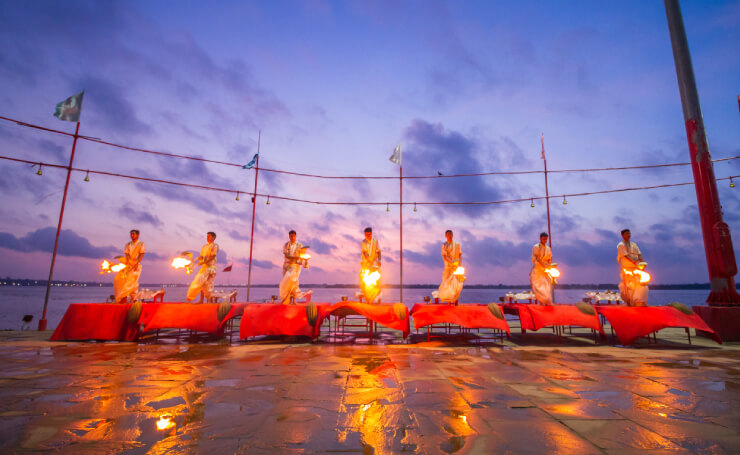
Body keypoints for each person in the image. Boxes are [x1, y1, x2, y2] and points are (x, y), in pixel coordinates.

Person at [186, 231, 219, 303]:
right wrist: (199, 258)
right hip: (204, 267)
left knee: (208, 284)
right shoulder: (204, 246)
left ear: (214, 237)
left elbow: (213, 256)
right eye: (207, 236)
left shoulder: (215, 246)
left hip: (211, 268)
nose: (207, 238)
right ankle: (200, 300)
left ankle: (208, 301)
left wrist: (205, 261)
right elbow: (202, 256)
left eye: (209, 236)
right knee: (200, 282)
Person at [114, 229, 145, 303]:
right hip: (128, 265)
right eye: (131, 234)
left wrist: (137, 264)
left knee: (132, 281)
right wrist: (127, 262)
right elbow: (126, 254)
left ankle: (133, 299)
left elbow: (141, 254)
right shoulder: (128, 244)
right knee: (119, 279)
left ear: (138, 235)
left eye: (133, 234)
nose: (132, 235)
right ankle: (122, 297)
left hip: (136, 265)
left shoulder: (141, 244)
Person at [617, 228, 647, 306]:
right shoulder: (621, 245)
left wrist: (642, 263)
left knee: (639, 285)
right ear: (622, 235)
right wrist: (633, 260)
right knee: (627, 287)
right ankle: (629, 303)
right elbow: (626, 256)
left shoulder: (634, 245)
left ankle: (639, 302)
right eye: (627, 233)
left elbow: (639, 254)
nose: (628, 235)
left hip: (636, 269)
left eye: (629, 233)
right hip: (626, 269)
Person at [437, 230, 463, 303]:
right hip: (448, 266)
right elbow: (444, 256)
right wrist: (451, 262)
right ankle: (448, 301)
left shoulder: (457, 244)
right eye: (448, 234)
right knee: (447, 282)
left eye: (450, 234)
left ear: (452, 235)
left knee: (457, 283)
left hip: (456, 265)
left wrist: (459, 263)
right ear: (446, 236)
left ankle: (456, 301)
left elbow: (460, 254)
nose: (449, 236)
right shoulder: (444, 245)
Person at [279, 230, 304, 304]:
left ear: (295, 236)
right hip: (286, 265)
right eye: (291, 236)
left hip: (295, 266)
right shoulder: (286, 245)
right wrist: (296, 257)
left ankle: (295, 300)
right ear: (289, 236)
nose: (292, 237)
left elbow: (302, 254)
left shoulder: (299, 245)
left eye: (293, 236)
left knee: (294, 283)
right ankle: (287, 300)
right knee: (286, 283)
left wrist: (300, 259)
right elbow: (286, 255)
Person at [529, 232, 554, 305]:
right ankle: (542, 302)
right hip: (538, 269)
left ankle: (547, 302)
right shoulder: (536, 247)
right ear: (540, 238)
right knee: (539, 287)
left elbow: (550, 258)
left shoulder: (548, 248)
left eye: (546, 239)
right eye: (543, 239)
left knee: (547, 286)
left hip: (546, 269)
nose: (545, 240)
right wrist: (543, 265)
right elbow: (537, 258)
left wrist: (549, 265)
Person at [360, 227, 381, 303]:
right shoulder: (363, 242)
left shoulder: (375, 241)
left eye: (369, 234)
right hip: (366, 263)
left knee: (376, 281)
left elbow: (378, 251)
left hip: (374, 264)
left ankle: (375, 299)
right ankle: (367, 299)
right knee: (364, 281)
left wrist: (379, 260)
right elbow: (364, 252)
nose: (367, 235)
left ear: (371, 233)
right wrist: (369, 260)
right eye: (366, 234)